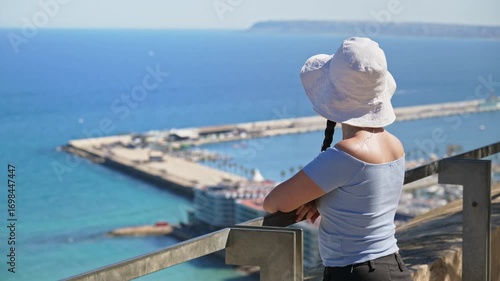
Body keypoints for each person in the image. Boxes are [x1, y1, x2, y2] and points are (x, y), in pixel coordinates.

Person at [263, 37, 413, 281]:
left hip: (354, 273)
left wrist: (313, 197)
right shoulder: (395, 145)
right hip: (393, 266)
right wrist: (322, 198)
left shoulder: (346, 154)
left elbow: (273, 203)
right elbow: (360, 197)